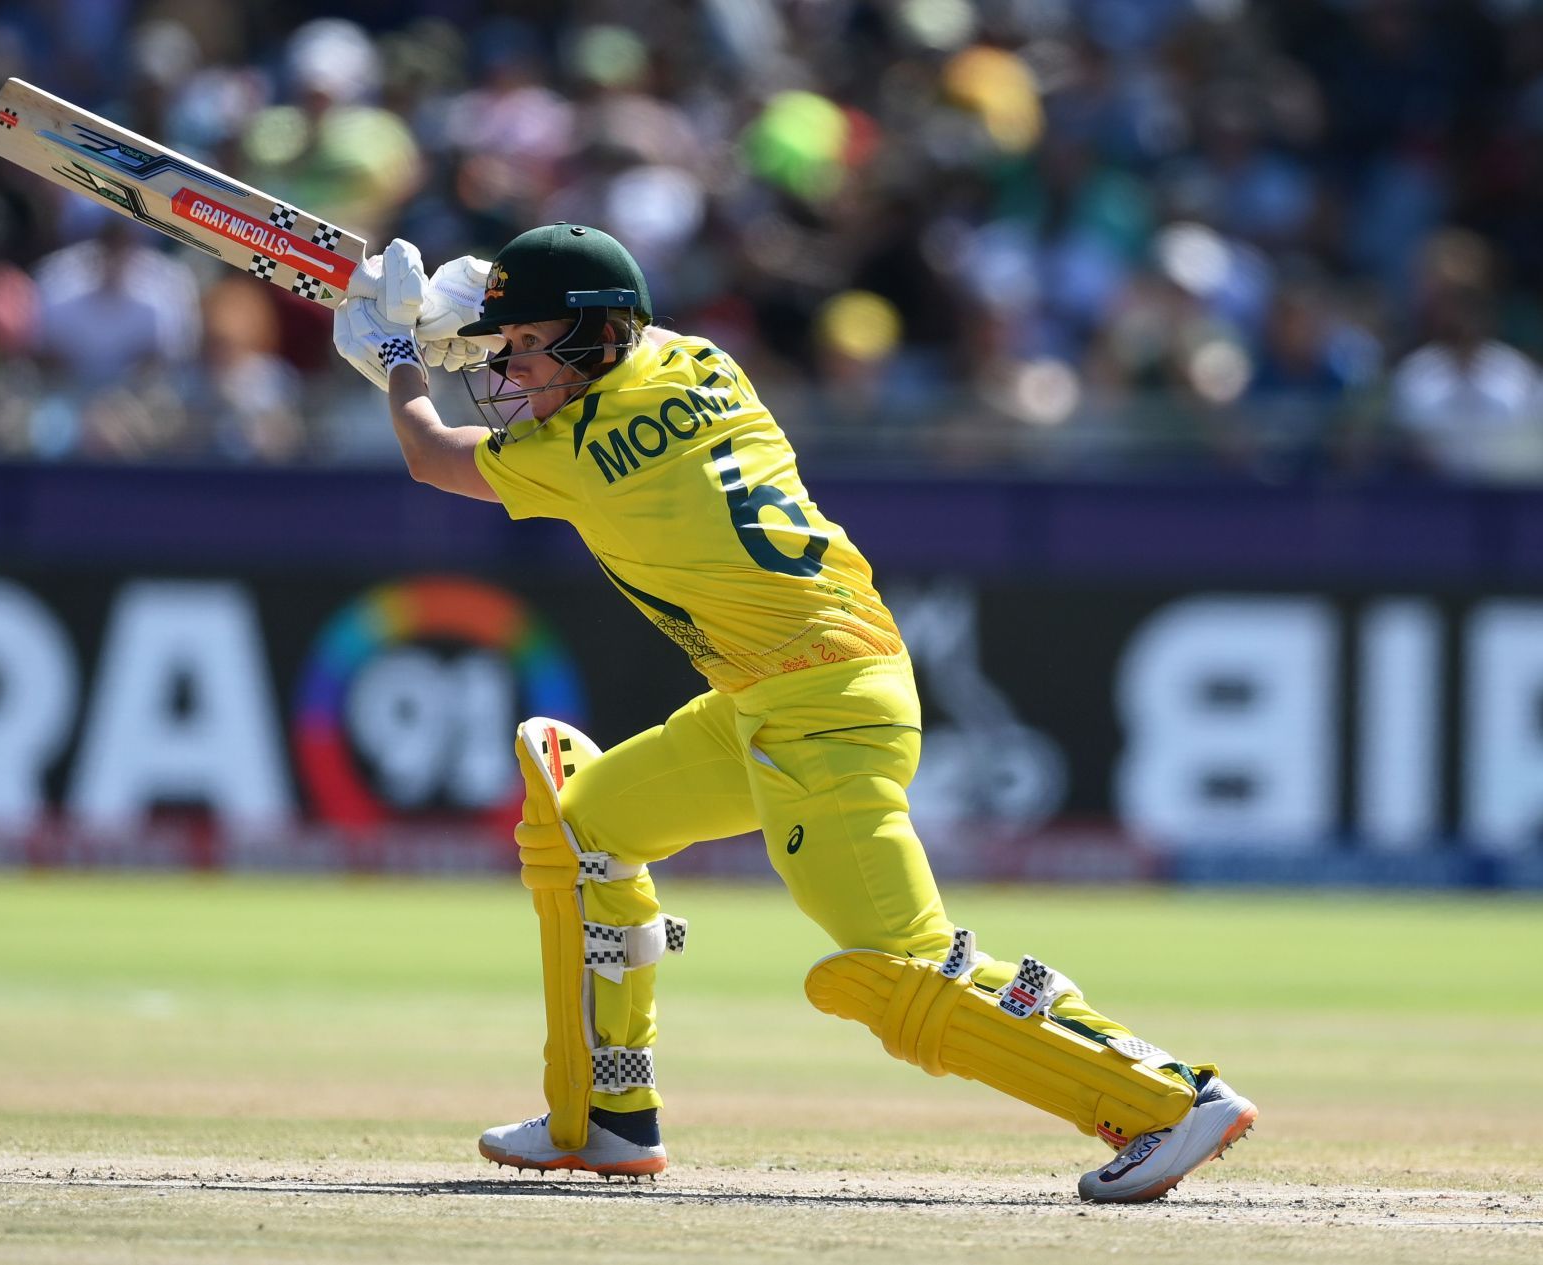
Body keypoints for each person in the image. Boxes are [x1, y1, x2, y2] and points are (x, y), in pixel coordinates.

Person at [332, 223, 1257, 1202]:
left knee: (899, 969)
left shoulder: (586, 448)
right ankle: (607, 1116)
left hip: (820, 711)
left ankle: (1165, 1097)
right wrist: (477, 312)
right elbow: (582, 329)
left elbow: (433, 454)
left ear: (590, 340)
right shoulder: (697, 359)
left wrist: (399, 358)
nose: (512, 370)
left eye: (524, 349)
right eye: (504, 347)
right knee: (588, 824)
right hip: (791, 690)